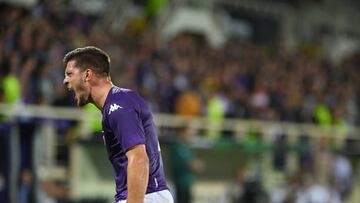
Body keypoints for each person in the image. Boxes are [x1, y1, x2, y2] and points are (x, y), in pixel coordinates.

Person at [62, 46, 174, 203]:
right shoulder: (118, 102)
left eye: (69, 74)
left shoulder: (117, 105)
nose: (65, 80)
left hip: (146, 196)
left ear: (87, 74)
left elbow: (139, 159)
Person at [170, 124, 203, 203]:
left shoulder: (187, 147)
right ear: (181, 133)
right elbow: (182, 164)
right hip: (180, 184)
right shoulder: (177, 147)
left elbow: (194, 163)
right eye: (188, 132)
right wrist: (192, 165)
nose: (190, 135)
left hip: (188, 183)